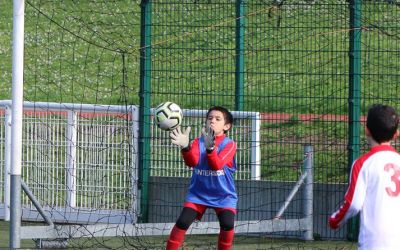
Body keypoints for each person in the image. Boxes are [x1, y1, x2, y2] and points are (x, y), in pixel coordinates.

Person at [329, 104, 400, 250]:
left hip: (373, 243)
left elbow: (353, 204)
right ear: (396, 134)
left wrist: (335, 220)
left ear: (367, 131)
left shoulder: (363, 164)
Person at [166, 106, 237, 250]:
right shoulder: (198, 142)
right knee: (182, 222)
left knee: (227, 224)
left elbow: (216, 165)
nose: (212, 121)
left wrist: (211, 150)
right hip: (198, 194)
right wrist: (185, 147)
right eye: (210, 118)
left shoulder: (230, 144)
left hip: (223, 195)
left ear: (226, 126)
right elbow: (192, 162)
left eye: (218, 119)